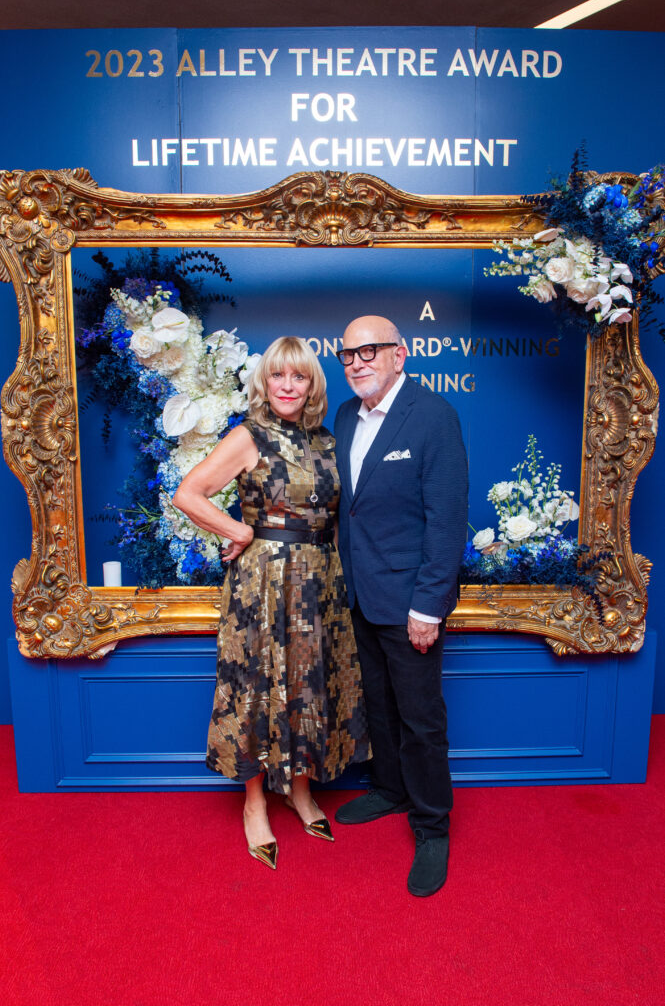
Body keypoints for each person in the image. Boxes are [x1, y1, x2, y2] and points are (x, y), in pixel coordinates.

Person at [172, 336, 368, 870]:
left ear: (312, 385)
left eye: (298, 377)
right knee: (257, 685)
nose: (287, 386)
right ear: (264, 383)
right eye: (278, 375)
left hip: (319, 580)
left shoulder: (326, 441)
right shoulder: (248, 436)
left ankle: (300, 791)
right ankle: (255, 801)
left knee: (308, 684)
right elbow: (188, 493)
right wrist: (238, 530)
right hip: (262, 582)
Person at [333, 315, 468, 897]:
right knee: (379, 708)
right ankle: (390, 789)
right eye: (348, 354)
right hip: (360, 596)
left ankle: (432, 825)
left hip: (411, 602)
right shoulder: (345, 415)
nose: (358, 362)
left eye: (370, 350)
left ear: (399, 354)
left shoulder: (433, 416)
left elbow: (447, 521)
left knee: (420, 719)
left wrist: (428, 607)